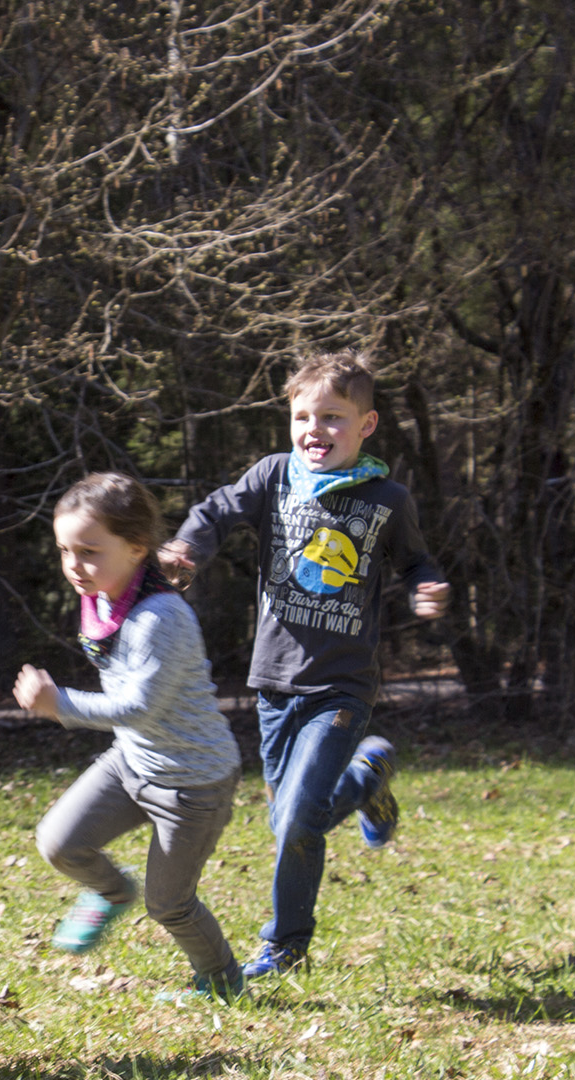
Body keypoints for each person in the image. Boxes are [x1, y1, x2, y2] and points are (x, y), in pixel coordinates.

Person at [160, 350, 449, 981]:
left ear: (367, 425)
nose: (314, 430)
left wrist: (428, 587)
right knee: (287, 820)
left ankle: (285, 942)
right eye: (303, 417)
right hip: (273, 683)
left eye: (333, 418)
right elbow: (215, 512)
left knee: (296, 818)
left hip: (341, 686)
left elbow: (417, 563)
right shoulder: (272, 477)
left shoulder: (387, 499)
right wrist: (187, 546)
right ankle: (367, 781)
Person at [14, 473, 247, 1000]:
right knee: (59, 842)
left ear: (136, 548)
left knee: (170, 905)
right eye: (64, 550)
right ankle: (111, 891)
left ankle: (222, 980)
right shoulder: (106, 590)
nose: (75, 565)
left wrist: (59, 705)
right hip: (133, 763)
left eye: (89, 551)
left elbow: (138, 706)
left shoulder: (159, 617)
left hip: (193, 783)